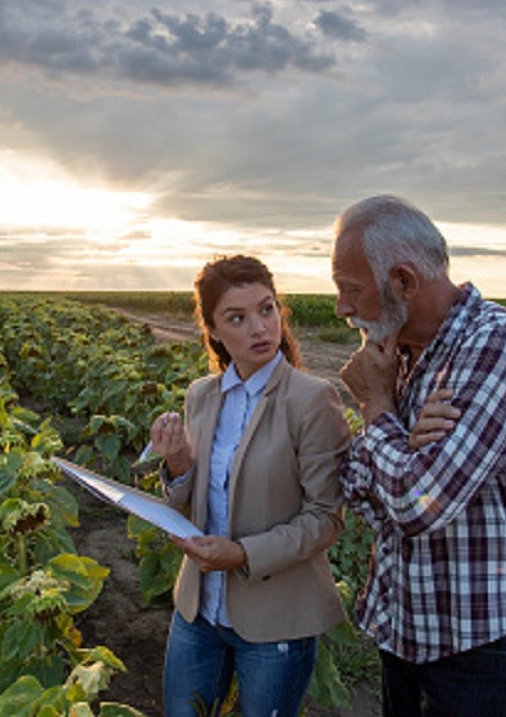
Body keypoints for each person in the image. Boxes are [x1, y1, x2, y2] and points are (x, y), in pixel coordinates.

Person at [331, 194, 506, 717]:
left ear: (404, 282)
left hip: (476, 642)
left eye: (350, 290)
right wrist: (404, 444)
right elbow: (365, 497)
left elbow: (416, 505)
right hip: (406, 628)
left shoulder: (501, 344)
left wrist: (376, 406)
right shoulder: (404, 358)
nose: (343, 308)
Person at [147, 254, 353, 717]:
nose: (259, 328)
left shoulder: (312, 400)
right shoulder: (202, 395)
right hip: (199, 610)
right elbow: (194, 503)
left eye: (266, 309)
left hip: (276, 619)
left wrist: (242, 555)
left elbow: (325, 520)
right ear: (215, 331)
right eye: (237, 318)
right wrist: (178, 466)